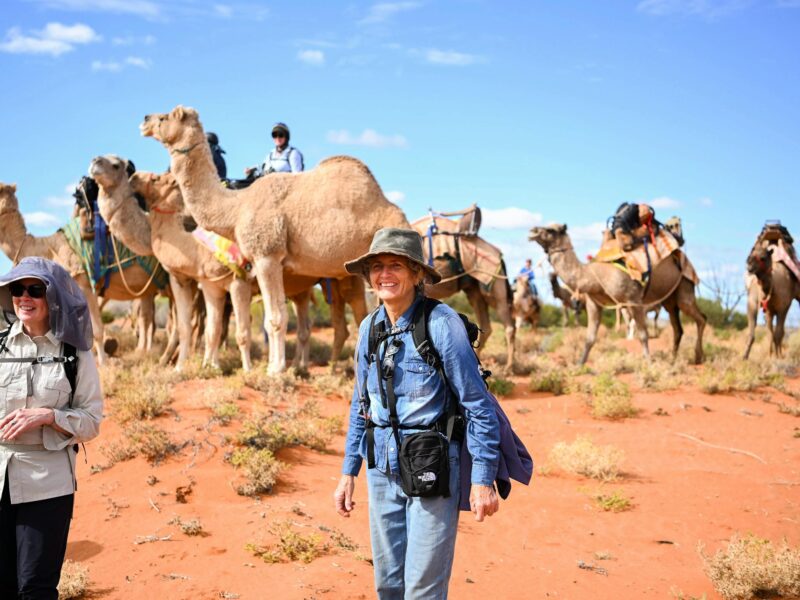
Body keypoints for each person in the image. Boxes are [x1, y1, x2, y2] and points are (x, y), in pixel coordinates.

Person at [334, 228, 500, 599]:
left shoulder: (441, 324)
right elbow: (361, 404)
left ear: (417, 274)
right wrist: (348, 472)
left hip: (432, 465)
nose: (385, 274)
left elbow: (478, 405)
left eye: (396, 265)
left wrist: (483, 479)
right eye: (377, 266)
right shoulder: (369, 328)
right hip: (381, 470)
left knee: (423, 589)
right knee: (388, 584)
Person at [0, 257, 103, 600]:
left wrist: (49, 416)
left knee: (36, 588)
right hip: (0, 479)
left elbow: (91, 421)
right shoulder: (0, 346)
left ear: (53, 296)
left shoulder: (76, 354)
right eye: (17, 289)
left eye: (35, 289)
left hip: (47, 485)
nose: (24, 298)